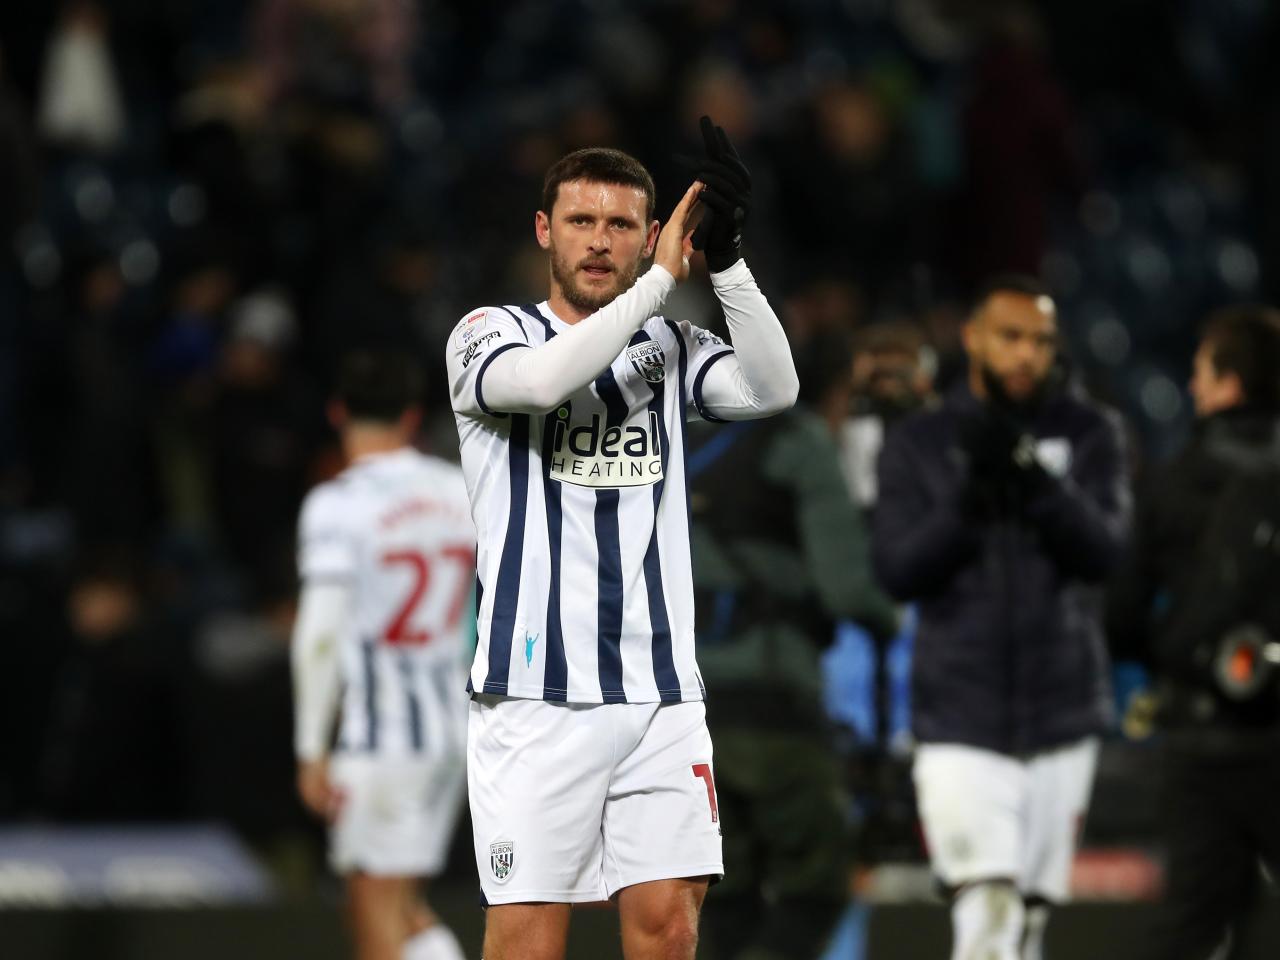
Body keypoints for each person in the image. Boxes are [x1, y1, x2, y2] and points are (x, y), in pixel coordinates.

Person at [444, 118, 797, 960]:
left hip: (662, 693)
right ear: (544, 231)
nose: (599, 242)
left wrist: (730, 262)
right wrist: (662, 283)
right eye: (580, 221)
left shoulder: (669, 345)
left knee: (669, 932)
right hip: (535, 696)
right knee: (528, 943)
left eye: (621, 226)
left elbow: (774, 386)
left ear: (648, 237)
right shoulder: (489, 334)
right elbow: (542, 382)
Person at [871, 275, 1130, 960]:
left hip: (1062, 713)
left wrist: (1035, 480)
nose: (1025, 355)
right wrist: (969, 501)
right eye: (1010, 337)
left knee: (1030, 924)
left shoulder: (1090, 431)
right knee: (986, 911)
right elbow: (897, 570)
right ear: (975, 338)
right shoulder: (922, 441)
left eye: (1041, 341)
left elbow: (1106, 553)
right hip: (959, 715)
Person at [685, 342, 897, 960]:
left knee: (725, 898)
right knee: (817, 888)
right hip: (774, 706)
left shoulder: (671, 437)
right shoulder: (799, 442)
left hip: (681, 714)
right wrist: (895, 616)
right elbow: (847, 587)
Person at [1107, 306, 1280, 960]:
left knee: (1190, 929)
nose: (1190, 387)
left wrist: (1168, 661)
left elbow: (1120, 614)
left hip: (1202, 743)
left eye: (1202, 373)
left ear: (1230, 383)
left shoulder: (1173, 480)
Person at [292, 351, 474, 960]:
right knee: (405, 911)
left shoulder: (337, 504)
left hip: (381, 738)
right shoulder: (461, 491)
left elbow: (319, 634)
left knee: (374, 921)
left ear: (338, 411)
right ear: (412, 416)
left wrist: (310, 747)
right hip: (452, 729)